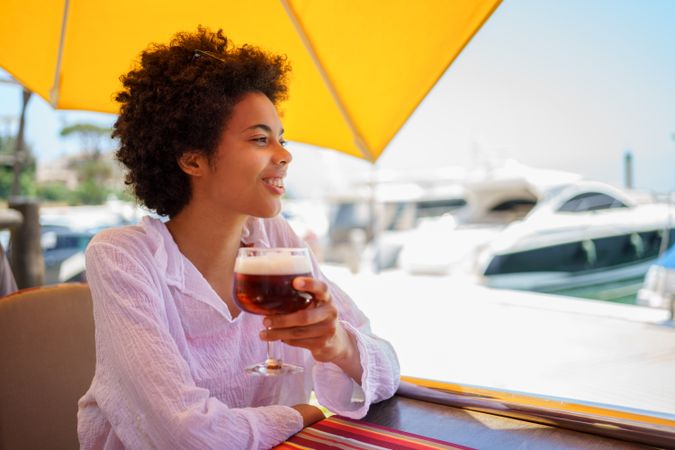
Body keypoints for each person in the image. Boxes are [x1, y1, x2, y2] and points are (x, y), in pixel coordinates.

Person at [77, 27, 400, 449]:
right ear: (193, 159)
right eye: (260, 139)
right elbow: (184, 436)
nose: (284, 155)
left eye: (281, 139)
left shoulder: (274, 240)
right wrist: (297, 415)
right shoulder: (123, 257)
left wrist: (337, 344)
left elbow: (388, 367)